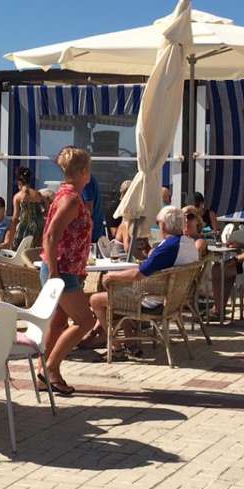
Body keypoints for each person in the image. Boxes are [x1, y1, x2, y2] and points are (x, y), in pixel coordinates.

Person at [88, 206, 200, 343]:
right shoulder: (189, 244)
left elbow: (138, 274)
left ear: (163, 225)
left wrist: (111, 276)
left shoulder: (169, 247)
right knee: (118, 289)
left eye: (158, 223)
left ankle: (113, 343)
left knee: (96, 299)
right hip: (174, 301)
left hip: (151, 302)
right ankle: (128, 340)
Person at [38, 147, 94, 395]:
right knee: (86, 321)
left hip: (64, 269)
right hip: (62, 271)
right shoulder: (71, 199)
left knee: (59, 321)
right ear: (82, 171)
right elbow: (51, 235)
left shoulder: (65, 194)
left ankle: (43, 371)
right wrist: (54, 273)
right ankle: (50, 368)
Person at [4, 168, 46, 250]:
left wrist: (11, 234)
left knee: (18, 250)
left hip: (26, 228)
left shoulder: (18, 196)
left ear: (19, 182)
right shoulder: (39, 195)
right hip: (39, 227)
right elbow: (45, 210)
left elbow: (15, 218)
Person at [82, 174, 106, 243]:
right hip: (94, 232)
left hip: (91, 234)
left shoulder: (85, 181)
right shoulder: (87, 179)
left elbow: (88, 210)